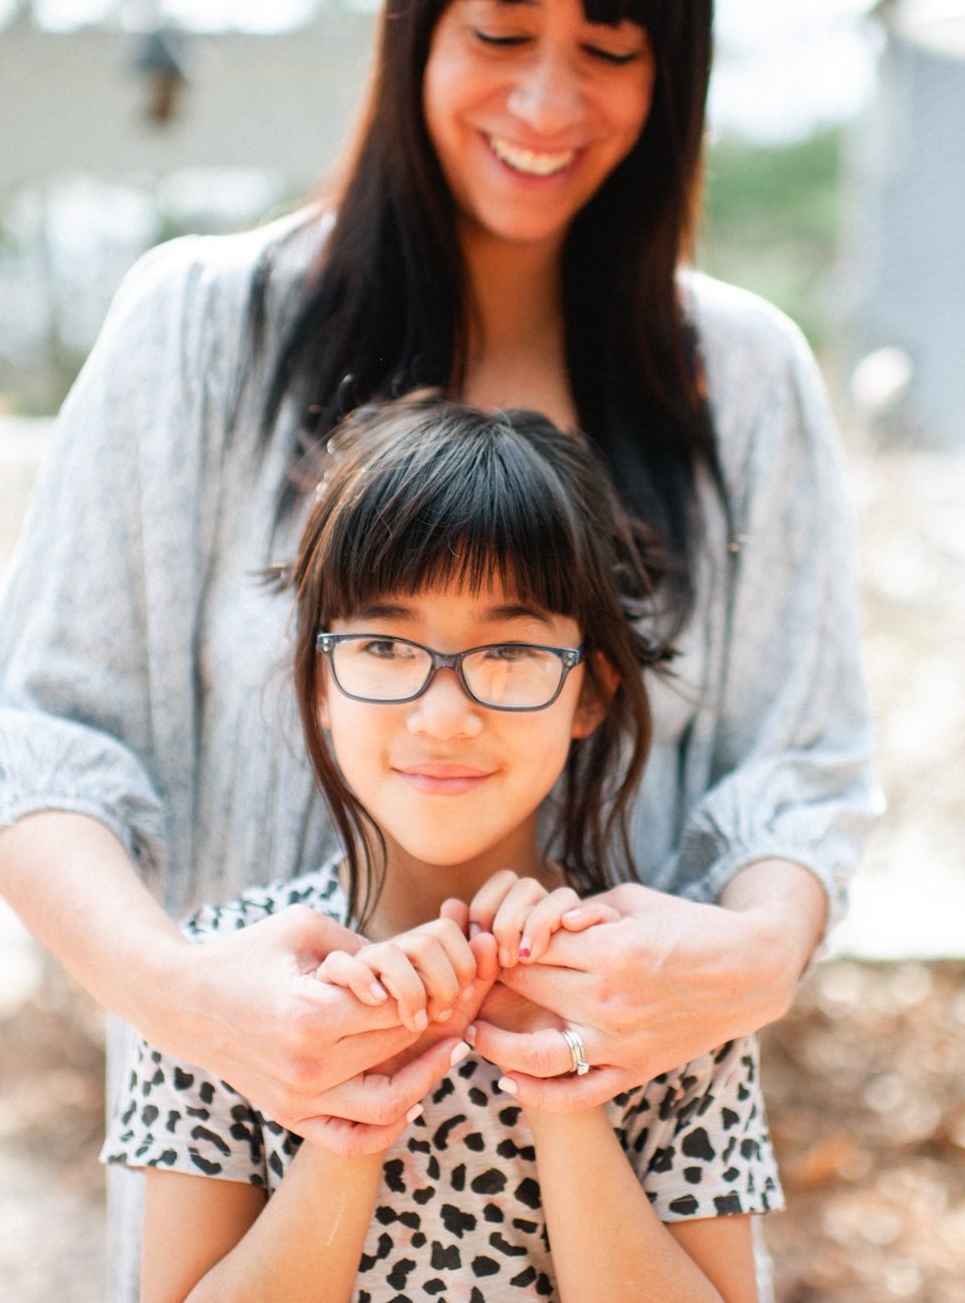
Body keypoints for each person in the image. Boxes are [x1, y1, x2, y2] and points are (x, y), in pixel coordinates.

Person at [0, 0, 877, 1292]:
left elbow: (803, 764)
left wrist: (754, 959)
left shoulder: (747, 376)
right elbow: (36, 736)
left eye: (609, 47)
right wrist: (184, 995)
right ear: (409, 32)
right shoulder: (204, 324)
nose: (549, 100)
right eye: (499, 32)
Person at [107, 400, 780, 1303]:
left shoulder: (662, 988)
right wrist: (360, 1099)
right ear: (318, 681)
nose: (443, 716)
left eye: (507, 650)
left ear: (590, 694)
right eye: (384, 645)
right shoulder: (231, 985)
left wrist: (560, 1085)